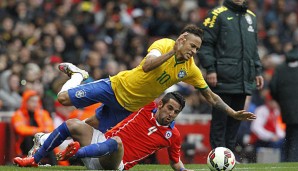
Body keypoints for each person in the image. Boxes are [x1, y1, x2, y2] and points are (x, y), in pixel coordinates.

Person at [56, 24, 256, 134]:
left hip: (127, 107)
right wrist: (172, 53)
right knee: (63, 99)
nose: (194, 52)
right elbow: (146, 66)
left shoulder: (191, 69)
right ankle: (77, 75)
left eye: (197, 49)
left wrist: (232, 112)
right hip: (116, 87)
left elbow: (210, 97)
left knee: (89, 125)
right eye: (192, 46)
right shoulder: (164, 44)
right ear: (182, 40)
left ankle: (48, 140)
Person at [14, 92, 193, 170]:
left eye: (176, 112)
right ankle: (34, 159)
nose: (172, 114)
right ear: (160, 104)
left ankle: (77, 153)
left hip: (114, 164)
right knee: (72, 124)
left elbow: (175, 162)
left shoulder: (173, 135)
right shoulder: (146, 106)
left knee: (117, 142)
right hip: (100, 143)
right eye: (170, 108)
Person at [198, 0, 264, 151]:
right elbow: (205, 43)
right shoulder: (216, 15)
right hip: (222, 77)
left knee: (236, 119)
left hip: (243, 79)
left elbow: (253, 48)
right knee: (220, 121)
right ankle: (218, 155)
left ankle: (230, 156)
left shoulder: (251, 16)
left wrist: (258, 71)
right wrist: (210, 68)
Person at [270, 46, 298, 162]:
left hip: (287, 109)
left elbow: (273, 88)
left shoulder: (280, 69)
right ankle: (292, 160)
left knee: (290, 135)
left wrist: (281, 100)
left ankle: (288, 159)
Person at [11, 90, 55, 164]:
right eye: (32, 101)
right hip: (24, 144)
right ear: (26, 102)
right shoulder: (18, 114)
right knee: (29, 137)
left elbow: (51, 128)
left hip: (42, 142)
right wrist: (40, 131)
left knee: (48, 140)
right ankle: (30, 161)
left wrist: (38, 132)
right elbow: (21, 129)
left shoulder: (43, 113)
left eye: (36, 101)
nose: (35, 104)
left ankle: (54, 164)